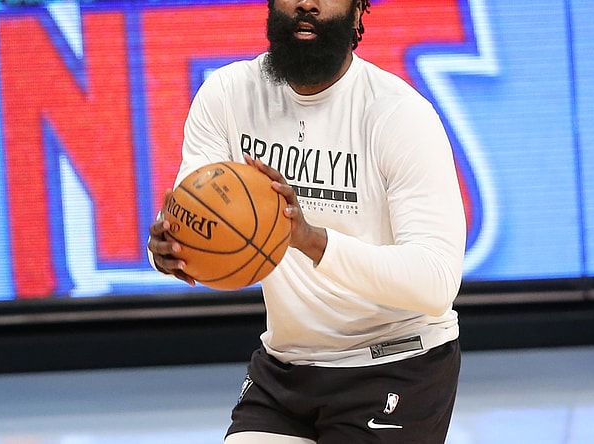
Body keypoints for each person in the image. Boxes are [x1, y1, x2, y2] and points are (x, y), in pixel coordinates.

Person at [147, 0, 467, 442]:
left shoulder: (399, 115)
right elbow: (193, 216)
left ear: (358, 12)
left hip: (396, 362)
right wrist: (171, 248)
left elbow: (435, 282)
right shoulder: (227, 95)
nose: (307, 3)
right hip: (287, 365)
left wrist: (310, 240)